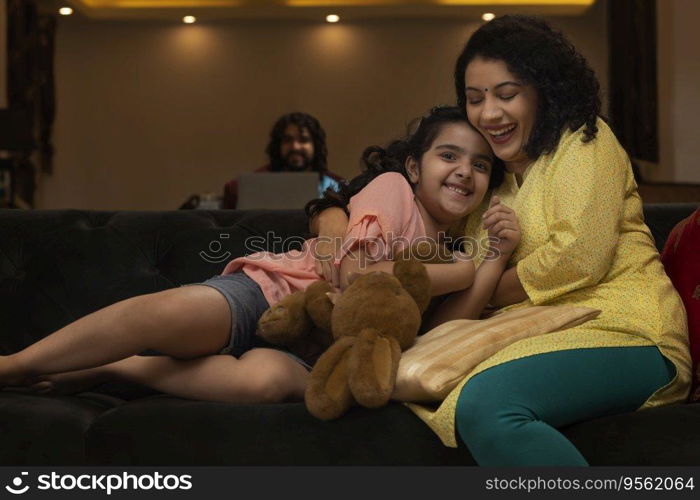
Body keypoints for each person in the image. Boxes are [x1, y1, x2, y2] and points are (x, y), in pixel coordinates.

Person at [313, 15, 692, 466]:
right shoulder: (490, 184)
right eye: (474, 99)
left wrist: (480, 282)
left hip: (627, 329)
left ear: (544, 90)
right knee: (431, 393)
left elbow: (578, 259)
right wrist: (329, 214)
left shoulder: (583, 140)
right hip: (527, 336)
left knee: (487, 405)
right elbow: (391, 186)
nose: (488, 113)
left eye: (506, 94)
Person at [0, 107, 516, 406]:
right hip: (275, 293)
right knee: (171, 311)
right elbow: (357, 270)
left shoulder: (456, 253)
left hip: (312, 351)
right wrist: (459, 270)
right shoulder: (391, 191)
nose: (464, 173)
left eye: (481, 166)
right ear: (413, 165)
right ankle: (17, 364)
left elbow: (449, 327)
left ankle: (123, 367)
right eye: (448, 156)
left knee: (266, 384)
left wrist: (493, 255)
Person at [222, 112, 344, 209]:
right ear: (278, 145)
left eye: (303, 140)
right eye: (287, 140)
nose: (295, 146)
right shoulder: (248, 186)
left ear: (315, 145)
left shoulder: (337, 186)